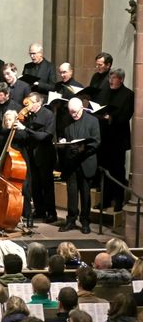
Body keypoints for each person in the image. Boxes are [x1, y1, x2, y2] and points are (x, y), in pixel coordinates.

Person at [58, 97, 100, 234]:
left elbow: (96, 142)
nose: (73, 115)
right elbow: (63, 138)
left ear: (82, 108)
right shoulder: (66, 120)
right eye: (71, 112)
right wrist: (63, 141)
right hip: (71, 162)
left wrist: (83, 149)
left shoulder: (92, 121)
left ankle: (85, 221)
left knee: (86, 194)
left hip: (86, 161)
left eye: (75, 112)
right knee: (71, 193)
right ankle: (70, 220)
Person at [96, 67, 134, 211]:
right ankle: (105, 200)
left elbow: (126, 116)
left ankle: (118, 200)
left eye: (114, 78)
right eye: (110, 78)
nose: (111, 80)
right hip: (105, 137)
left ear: (121, 79)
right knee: (104, 170)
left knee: (117, 170)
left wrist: (111, 117)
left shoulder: (129, 95)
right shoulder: (105, 92)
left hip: (118, 139)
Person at [21, 92, 58, 223]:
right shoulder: (29, 115)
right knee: (35, 185)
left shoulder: (48, 115)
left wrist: (26, 129)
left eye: (30, 102)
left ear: (38, 103)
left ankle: (51, 213)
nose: (27, 105)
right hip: (32, 155)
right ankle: (39, 210)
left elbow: (46, 136)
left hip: (45, 155)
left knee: (47, 185)